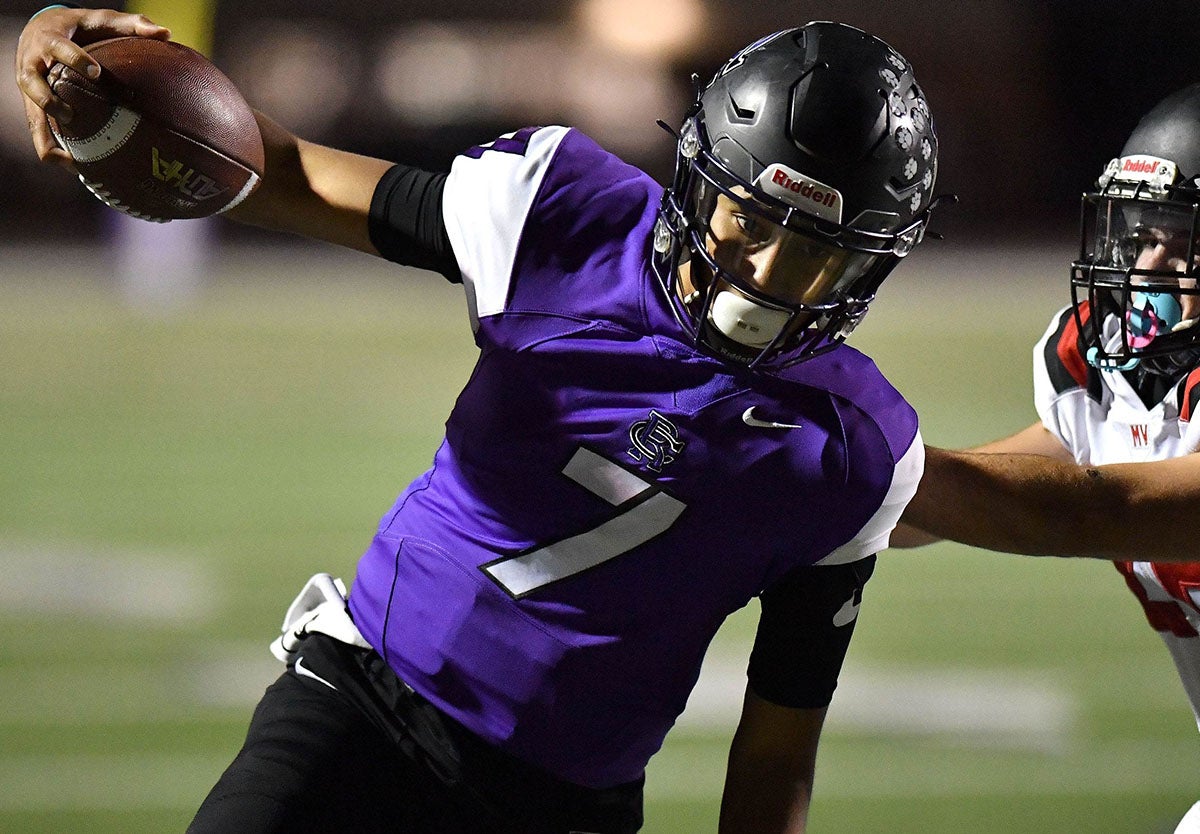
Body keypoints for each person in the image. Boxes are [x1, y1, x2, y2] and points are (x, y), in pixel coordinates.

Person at [18, 8, 946, 834]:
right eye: (753, 218)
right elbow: (285, 173)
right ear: (701, 178)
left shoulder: (854, 448)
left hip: (568, 805)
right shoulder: (559, 218)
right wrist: (93, 73)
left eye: (823, 252)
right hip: (362, 707)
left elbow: (778, 748)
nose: (771, 274)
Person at [895, 82, 1200, 833]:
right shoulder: (1118, 381)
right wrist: (805, 503)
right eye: (1142, 233)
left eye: (1185, 242)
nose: (1148, 268)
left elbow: (1089, 508)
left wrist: (866, 469)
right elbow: (1025, 474)